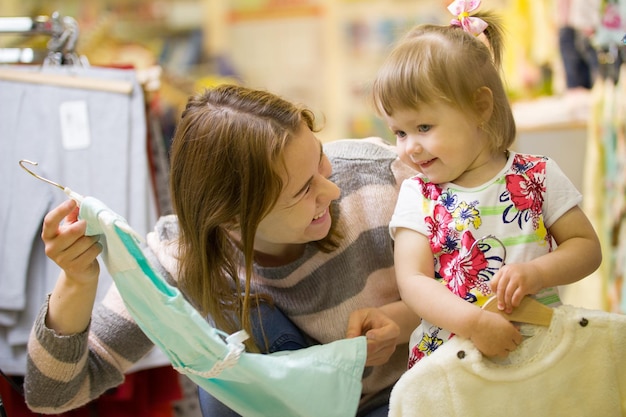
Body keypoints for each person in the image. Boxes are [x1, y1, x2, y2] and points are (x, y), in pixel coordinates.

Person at [24, 84, 420, 416]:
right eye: (302, 190)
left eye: (321, 159)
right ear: (230, 218)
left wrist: (403, 320)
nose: (331, 190)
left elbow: (476, 292)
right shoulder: (181, 259)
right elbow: (52, 396)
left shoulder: (386, 180)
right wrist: (77, 281)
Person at [370, 5, 602, 369]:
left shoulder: (536, 175)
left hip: (542, 358)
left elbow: (586, 248)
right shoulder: (418, 194)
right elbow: (413, 281)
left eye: (424, 128)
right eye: (399, 132)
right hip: (453, 364)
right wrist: (473, 323)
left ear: (480, 107)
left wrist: (539, 273)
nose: (409, 146)